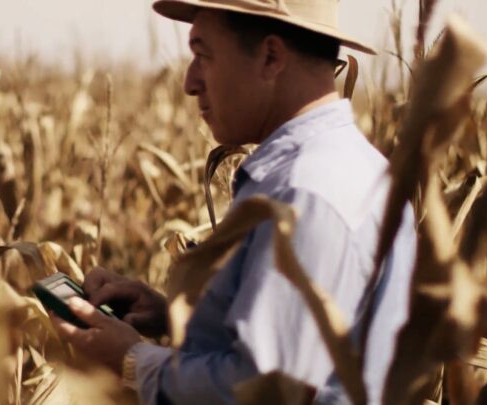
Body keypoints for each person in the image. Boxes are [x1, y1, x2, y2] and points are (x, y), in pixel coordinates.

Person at [50, 0, 417, 404]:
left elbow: (263, 390)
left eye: (202, 56)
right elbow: (304, 345)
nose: (189, 82)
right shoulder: (358, 167)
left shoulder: (302, 194)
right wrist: (171, 315)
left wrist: (132, 360)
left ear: (271, 57)